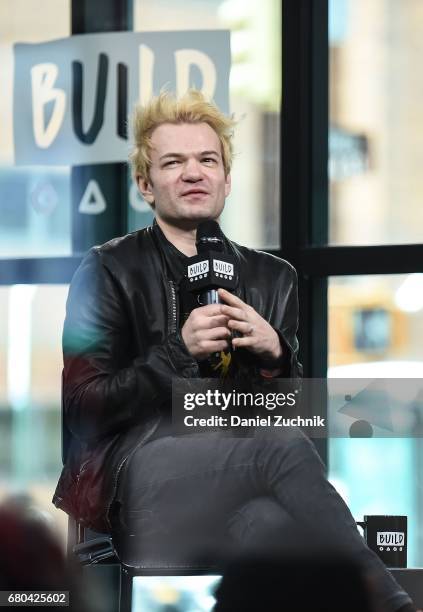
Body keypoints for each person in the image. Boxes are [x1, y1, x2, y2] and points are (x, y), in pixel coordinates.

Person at [53, 90, 416, 612]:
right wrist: (177, 354)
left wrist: (275, 358)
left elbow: (297, 417)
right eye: (173, 162)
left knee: (271, 529)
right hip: (132, 485)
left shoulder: (274, 278)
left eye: (207, 160)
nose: (193, 173)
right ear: (144, 185)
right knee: (278, 451)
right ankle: (393, 605)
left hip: (239, 478)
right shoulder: (107, 270)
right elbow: (81, 407)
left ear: (227, 178)